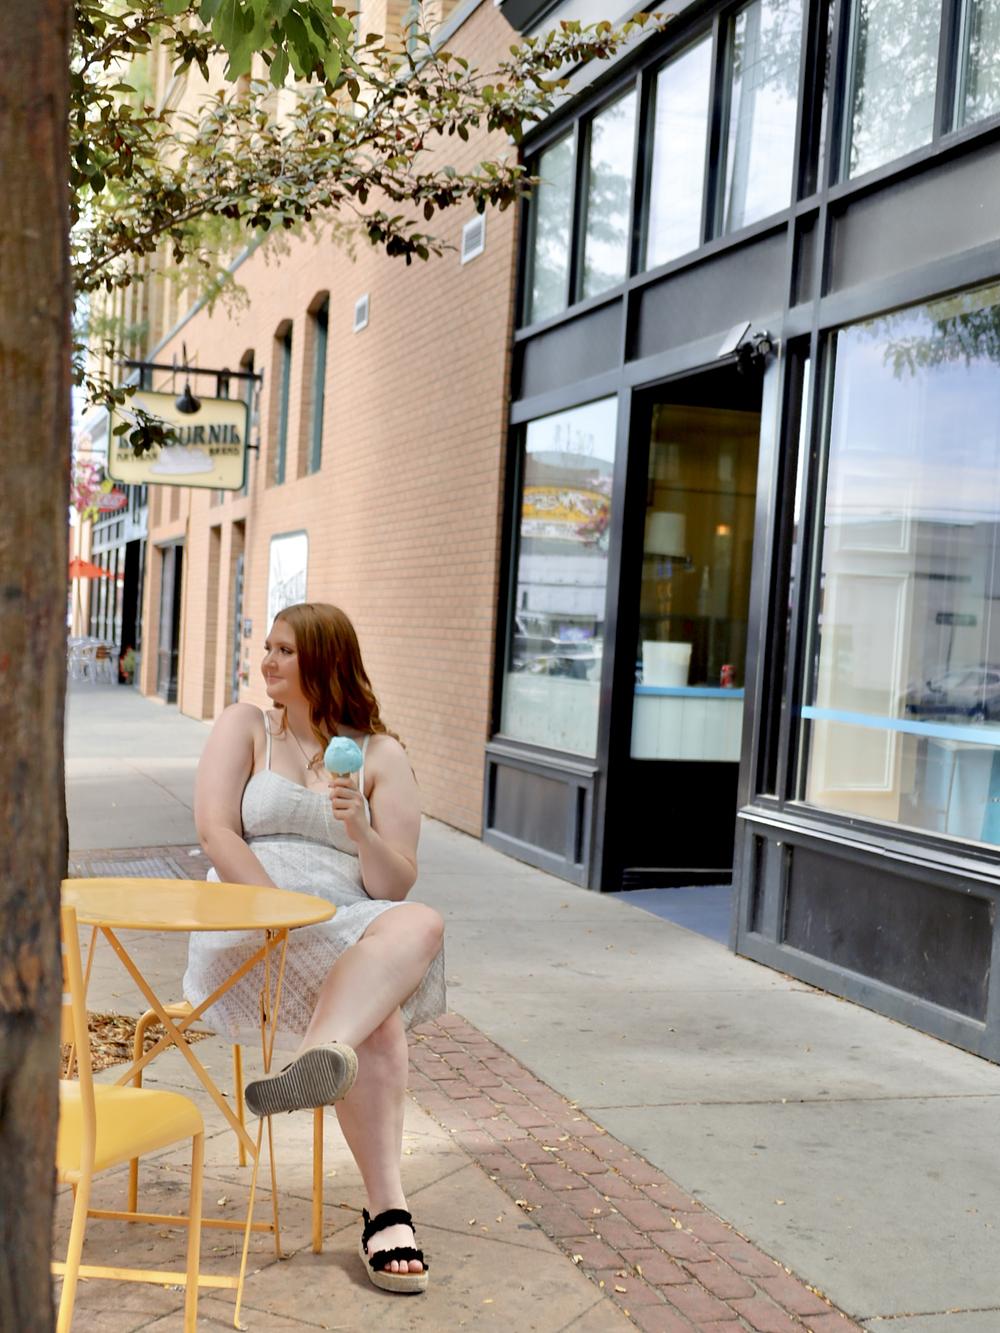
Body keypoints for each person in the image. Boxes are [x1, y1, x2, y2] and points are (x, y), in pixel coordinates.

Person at [183, 602, 445, 1294]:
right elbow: (215, 830)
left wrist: (361, 830)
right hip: (254, 920)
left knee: (421, 921)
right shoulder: (246, 727)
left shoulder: (380, 756)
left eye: (285, 650)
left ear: (326, 660)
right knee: (377, 1020)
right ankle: (388, 1215)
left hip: (349, 922)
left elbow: (394, 884)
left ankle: (314, 1060)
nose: (267, 660)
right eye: (267, 646)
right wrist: (281, 912)